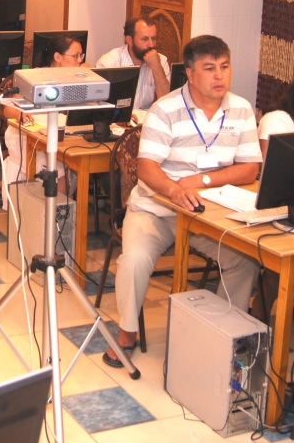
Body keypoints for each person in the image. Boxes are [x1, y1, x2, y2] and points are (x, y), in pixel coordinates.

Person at [103, 35, 263, 368]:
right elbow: (147, 168)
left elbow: (250, 168)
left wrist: (202, 181)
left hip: (209, 213)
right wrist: (174, 190)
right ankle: (127, 332)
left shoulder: (241, 109)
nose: (219, 76)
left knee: (245, 261)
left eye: (225, 67)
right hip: (157, 209)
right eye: (209, 68)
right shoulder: (166, 109)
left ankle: (221, 333)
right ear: (190, 73)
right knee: (134, 259)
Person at [1, 35, 86, 206]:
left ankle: (58, 214)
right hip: (26, 136)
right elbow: (7, 110)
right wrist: (20, 114)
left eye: (81, 56)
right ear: (58, 57)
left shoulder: (78, 79)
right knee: (57, 166)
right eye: (75, 56)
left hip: (60, 136)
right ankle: (47, 212)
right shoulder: (35, 77)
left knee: (75, 159)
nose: (80, 61)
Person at [95, 17, 170, 111]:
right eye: (145, 39)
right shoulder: (109, 63)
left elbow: (167, 104)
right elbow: (98, 106)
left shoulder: (160, 61)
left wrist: (156, 67)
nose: (151, 45)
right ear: (129, 40)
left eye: (153, 38)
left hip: (146, 119)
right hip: (117, 118)